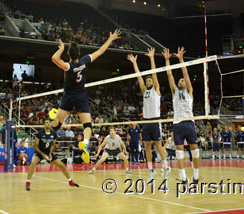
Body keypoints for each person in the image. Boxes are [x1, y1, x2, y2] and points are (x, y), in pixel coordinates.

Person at [50, 29, 121, 163]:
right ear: (79, 53)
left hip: (69, 96)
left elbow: (54, 59)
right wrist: (110, 40)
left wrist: (61, 49)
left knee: (57, 123)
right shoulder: (84, 61)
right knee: (87, 124)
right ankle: (86, 143)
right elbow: (100, 51)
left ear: (69, 54)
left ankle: (51, 120)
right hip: (81, 95)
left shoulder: (68, 66)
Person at [127, 48, 171, 182]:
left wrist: (152, 58)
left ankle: (165, 166)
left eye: (149, 81)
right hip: (146, 121)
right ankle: (151, 169)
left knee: (158, 145)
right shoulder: (144, 90)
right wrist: (135, 63)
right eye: (147, 81)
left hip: (156, 120)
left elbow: (154, 73)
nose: (148, 82)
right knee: (147, 146)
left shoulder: (156, 89)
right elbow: (139, 76)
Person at [163, 47, 200, 184]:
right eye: (180, 81)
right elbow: (169, 75)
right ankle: (184, 178)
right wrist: (167, 61)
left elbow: (185, 73)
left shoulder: (189, 91)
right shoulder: (174, 92)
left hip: (189, 122)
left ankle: (195, 177)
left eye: (182, 81)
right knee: (179, 150)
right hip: (178, 123)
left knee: (194, 150)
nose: (181, 81)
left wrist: (180, 59)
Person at [25, 120, 79, 190]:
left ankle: (70, 181)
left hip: (48, 152)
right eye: (46, 122)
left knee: (62, 165)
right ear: (44, 125)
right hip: (40, 152)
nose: (48, 123)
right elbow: (35, 146)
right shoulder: (39, 134)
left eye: (49, 122)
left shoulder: (53, 133)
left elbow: (53, 145)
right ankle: (28, 182)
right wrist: (43, 155)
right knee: (33, 163)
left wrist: (50, 153)